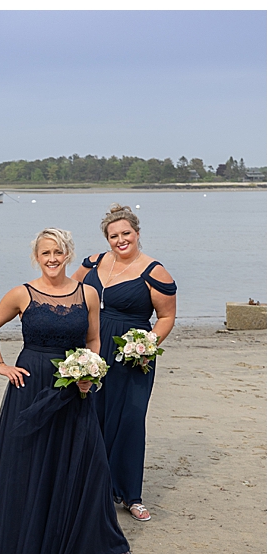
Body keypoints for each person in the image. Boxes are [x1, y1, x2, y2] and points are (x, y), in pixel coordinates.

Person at [0, 228, 142, 554]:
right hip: (31, 381)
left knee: (87, 460)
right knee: (29, 458)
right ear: (36, 258)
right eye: (45, 253)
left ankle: (94, 539)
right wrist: (0, 364)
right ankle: (24, 535)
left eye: (58, 252)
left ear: (67, 254)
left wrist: (90, 372)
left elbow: (94, 339)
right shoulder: (22, 294)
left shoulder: (89, 294)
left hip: (74, 384)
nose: (52, 259)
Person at [72, 204, 177, 522]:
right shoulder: (93, 262)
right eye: (114, 235)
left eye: (126, 233)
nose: (120, 240)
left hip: (132, 357)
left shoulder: (154, 272)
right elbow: (71, 293)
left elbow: (167, 317)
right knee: (91, 415)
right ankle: (91, 488)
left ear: (137, 234)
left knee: (129, 420)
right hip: (92, 347)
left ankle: (131, 495)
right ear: (107, 238)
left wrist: (147, 345)